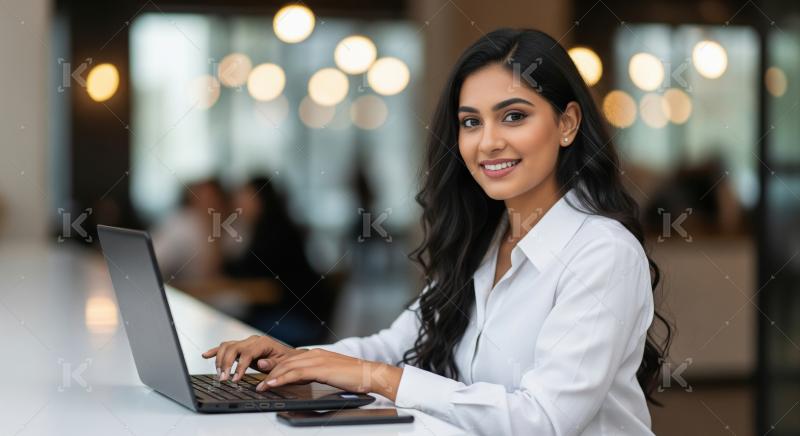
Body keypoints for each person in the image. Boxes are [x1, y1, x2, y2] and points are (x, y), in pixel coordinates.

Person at [202, 28, 672, 435]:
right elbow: (394, 346)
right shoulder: (482, 241)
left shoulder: (602, 253)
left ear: (567, 124)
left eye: (514, 116)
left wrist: (376, 377)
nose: (488, 141)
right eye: (471, 122)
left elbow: (543, 421)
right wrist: (293, 359)